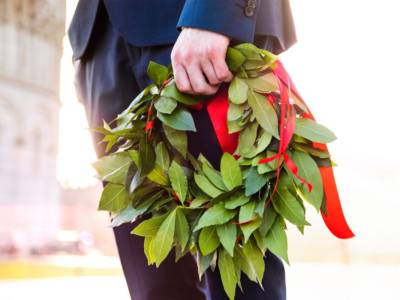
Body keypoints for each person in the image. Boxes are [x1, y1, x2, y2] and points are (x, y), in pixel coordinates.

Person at [68, 1, 297, 299]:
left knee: (239, 270)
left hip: (196, 27)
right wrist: (85, 55)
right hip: (100, 37)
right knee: (157, 285)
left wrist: (215, 13)